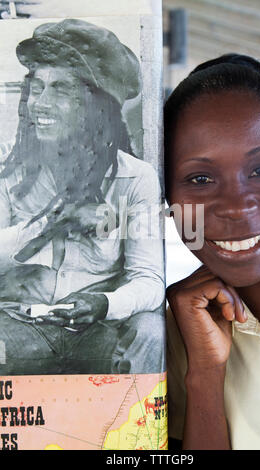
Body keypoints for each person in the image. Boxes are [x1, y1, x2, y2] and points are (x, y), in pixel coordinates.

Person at [0, 19, 165, 375]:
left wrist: (104, 303)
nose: (39, 104)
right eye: (37, 88)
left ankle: (135, 431)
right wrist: (50, 224)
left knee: (151, 329)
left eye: (61, 90)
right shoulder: (6, 170)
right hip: (15, 328)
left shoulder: (135, 178)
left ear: (96, 109)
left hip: (97, 331)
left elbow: (150, 280)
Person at [164, 53, 260, 450]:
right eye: (200, 178)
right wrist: (205, 374)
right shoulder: (161, 343)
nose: (237, 206)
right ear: (166, 195)